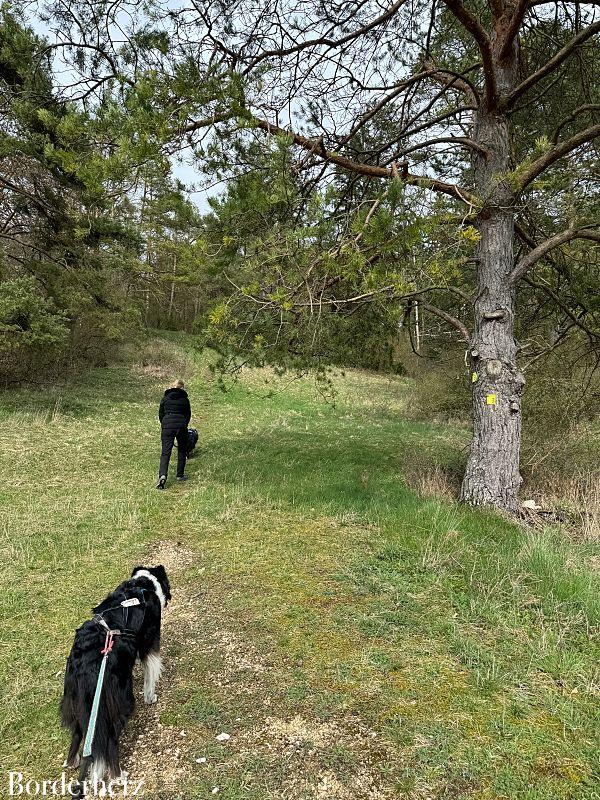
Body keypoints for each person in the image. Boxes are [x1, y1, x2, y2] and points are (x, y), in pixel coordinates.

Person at [157, 379, 191, 489]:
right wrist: (183, 423)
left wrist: (165, 423)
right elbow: (188, 415)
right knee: (182, 449)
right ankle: (179, 475)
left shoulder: (165, 398)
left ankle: (162, 475)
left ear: (172, 386)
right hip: (181, 425)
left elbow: (161, 413)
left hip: (167, 426)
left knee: (165, 452)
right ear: (182, 388)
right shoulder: (185, 400)